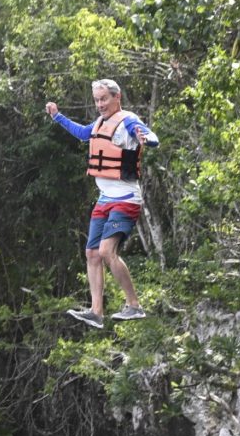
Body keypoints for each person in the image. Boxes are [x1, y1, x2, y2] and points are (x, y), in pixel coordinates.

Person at [46, 79, 160, 329]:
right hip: (105, 199)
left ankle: (134, 306)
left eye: (104, 99)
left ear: (117, 97)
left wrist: (147, 139)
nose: (100, 104)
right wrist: (57, 117)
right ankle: (96, 312)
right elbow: (82, 133)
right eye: (97, 100)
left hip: (126, 199)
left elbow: (151, 137)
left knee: (107, 251)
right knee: (91, 253)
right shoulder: (99, 123)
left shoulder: (128, 121)